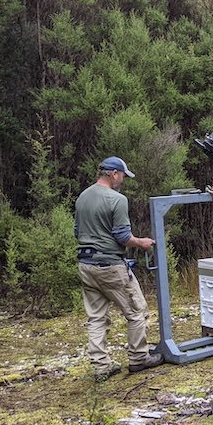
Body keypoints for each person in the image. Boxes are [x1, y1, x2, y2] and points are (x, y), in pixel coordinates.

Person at [75, 156, 163, 381]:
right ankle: (139, 358)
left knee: (96, 317)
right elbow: (123, 237)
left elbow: (78, 232)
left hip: (86, 265)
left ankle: (101, 366)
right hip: (110, 265)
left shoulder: (83, 197)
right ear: (113, 174)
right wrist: (142, 243)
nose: (122, 180)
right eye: (122, 176)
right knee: (137, 311)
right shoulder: (117, 199)